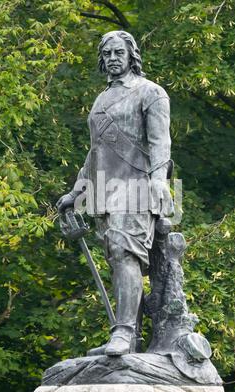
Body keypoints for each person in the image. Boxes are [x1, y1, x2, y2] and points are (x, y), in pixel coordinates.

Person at [56, 31, 173, 356]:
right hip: (104, 191)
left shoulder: (151, 93)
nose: (111, 58)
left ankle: (123, 332)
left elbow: (160, 143)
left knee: (124, 252)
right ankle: (128, 338)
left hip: (138, 188)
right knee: (118, 259)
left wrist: (160, 180)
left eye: (118, 52)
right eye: (106, 53)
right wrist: (77, 190)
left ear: (131, 54)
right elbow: (95, 152)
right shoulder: (101, 100)